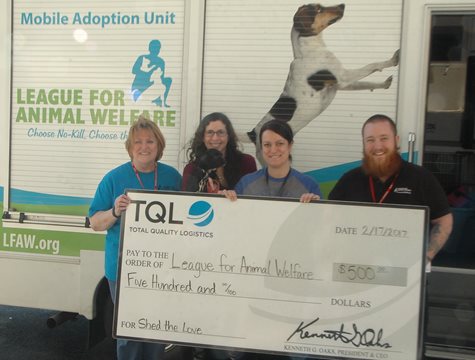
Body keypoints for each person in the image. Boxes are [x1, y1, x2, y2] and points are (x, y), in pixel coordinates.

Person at [88, 115, 181, 360]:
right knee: (128, 332)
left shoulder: (173, 178)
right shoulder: (113, 179)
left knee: (156, 329)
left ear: (159, 146)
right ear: (130, 147)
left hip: (162, 269)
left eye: (150, 141)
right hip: (123, 270)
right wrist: (115, 211)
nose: (144, 147)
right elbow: (95, 222)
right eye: (138, 142)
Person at [329, 114, 453, 262]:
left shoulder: (421, 178)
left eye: (384, 138)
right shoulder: (349, 180)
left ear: (396, 140)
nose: (377, 146)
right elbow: (328, 219)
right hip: (356, 268)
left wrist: (426, 257)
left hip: (405, 272)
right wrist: (311, 208)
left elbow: (444, 221)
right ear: (363, 144)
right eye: (370, 140)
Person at [224, 119, 322, 202]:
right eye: (267, 145)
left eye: (280, 143)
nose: (273, 150)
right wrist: (225, 200)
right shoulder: (245, 183)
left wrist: (314, 207)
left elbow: (319, 222)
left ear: (290, 145)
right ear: (261, 147)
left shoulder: (309, 186)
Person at [182, 112, 257, 193]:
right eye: (210, 132)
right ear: (202, 137)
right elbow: (187, 202)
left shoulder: (247, 162)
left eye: (220, 132)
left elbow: (253, 197)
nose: (215, 138)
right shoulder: (192, 169)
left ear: (229, 136)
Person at [131, 39, 172, 107]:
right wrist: (148, 72)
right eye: (154, 47)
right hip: (140, 87)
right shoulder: (142, 58)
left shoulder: (161, 61)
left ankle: (162, 101)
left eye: (158, 48)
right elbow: (134, 70)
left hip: (153, 85)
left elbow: (161, 77)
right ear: (149, 48)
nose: (156, 50)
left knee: (168, 80)